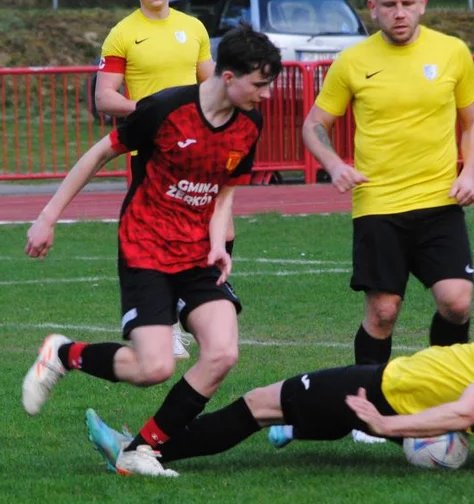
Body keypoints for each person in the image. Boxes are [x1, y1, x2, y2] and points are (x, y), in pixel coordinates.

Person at [22, 24, 282, 478]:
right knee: (153, 367)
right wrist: (48, 217)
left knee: (222, 353)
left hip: (198, 253)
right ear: (227, 76)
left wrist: (219, 242)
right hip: (146, 246)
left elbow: (224, 192)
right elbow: (99, 154)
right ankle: (64, 355)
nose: (266, 95)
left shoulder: (249, 124)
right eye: (259, 84)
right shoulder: (165, 109)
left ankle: (140, 450)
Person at [282, 0, 474, 448]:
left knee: (456, 302)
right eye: (389, 4)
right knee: (383, 313)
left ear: (424, 3)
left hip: (439, 200)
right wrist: (333, 164)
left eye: (408, 3)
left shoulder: (453, 52)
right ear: (372, 8)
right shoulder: (353, 62)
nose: (400, 13)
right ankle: (365, 411)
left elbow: (473, 122)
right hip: (378, 204)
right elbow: (314, 124)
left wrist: (470, 170)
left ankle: (444, 396)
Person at [86, 286, 474, 475]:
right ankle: (295, 431)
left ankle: (139, 452)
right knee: (294, 414)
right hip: (391, 400)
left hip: (383, 389)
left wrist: (391, 422)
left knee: (258, 404)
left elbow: (467, 413)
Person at [95, 0, 221, 361]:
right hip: (151, 149)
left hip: (197, 149)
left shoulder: (194, 28)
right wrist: (147, 112)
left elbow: (211, 83)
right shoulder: (122, 34)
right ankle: (163, 325)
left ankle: (193, 307)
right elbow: (104, 96)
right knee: (158, 237)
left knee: (220, 230)